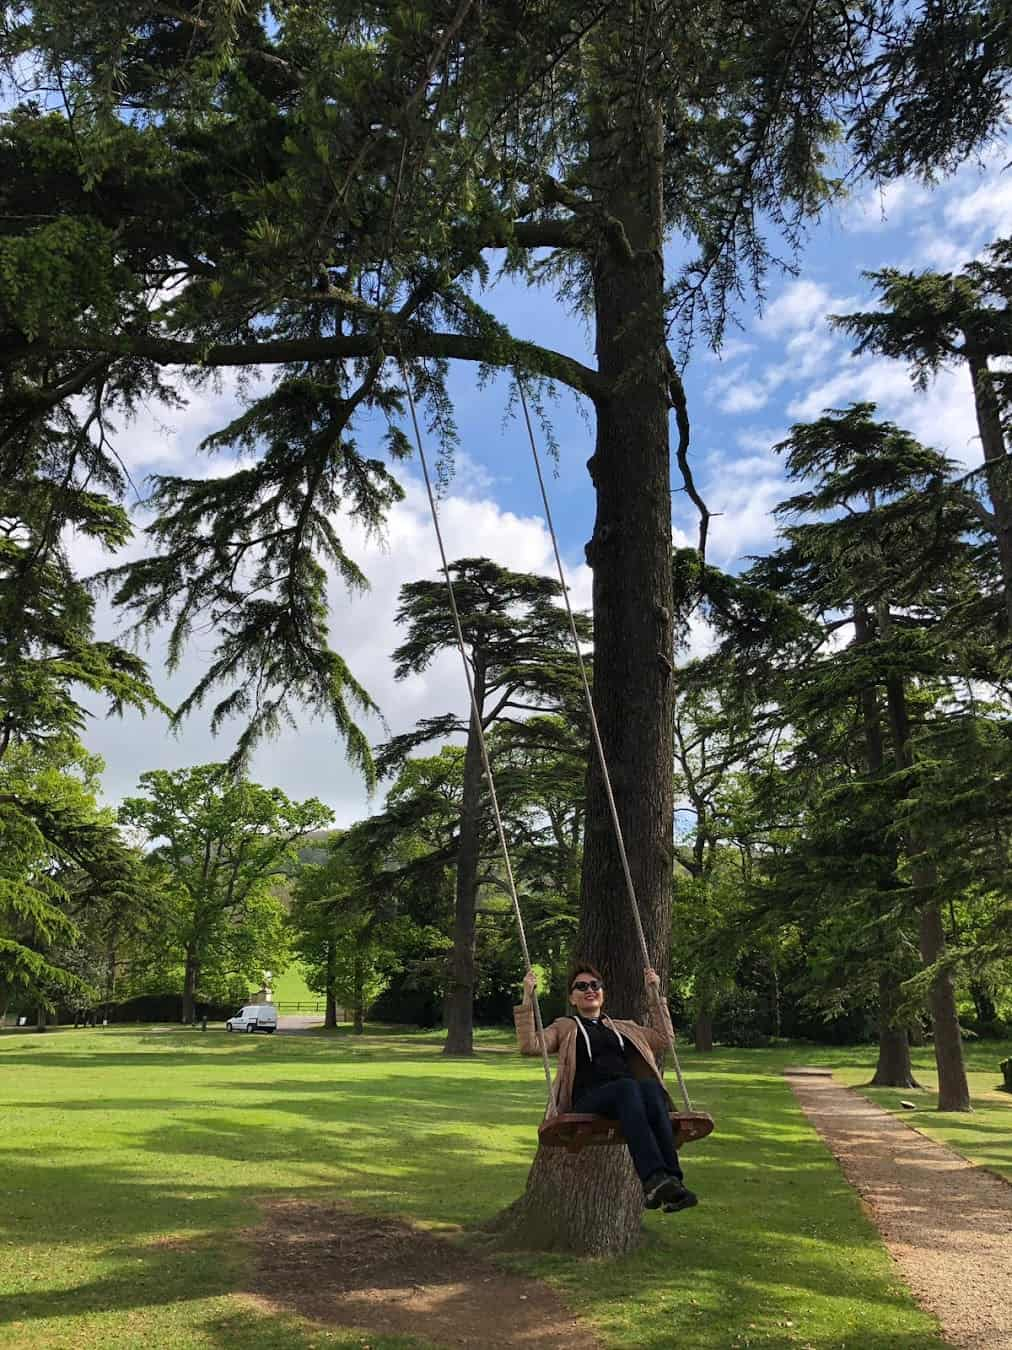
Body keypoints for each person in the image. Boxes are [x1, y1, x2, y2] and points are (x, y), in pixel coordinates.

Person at [515, 963, 698, 1213]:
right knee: (627, 1087)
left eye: (595, 985)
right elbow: (530, 1045)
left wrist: (655, 997)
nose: (589, 990)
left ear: (603, 992)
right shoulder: (565, 1026)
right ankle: (653, 1178)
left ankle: (673, 1181)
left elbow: (665, 1039)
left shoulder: (624, 1027)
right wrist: (527, 997)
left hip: (627, 1097)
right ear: (572, 997)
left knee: (652, 1090)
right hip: (590, 1099)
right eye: (581, 986)